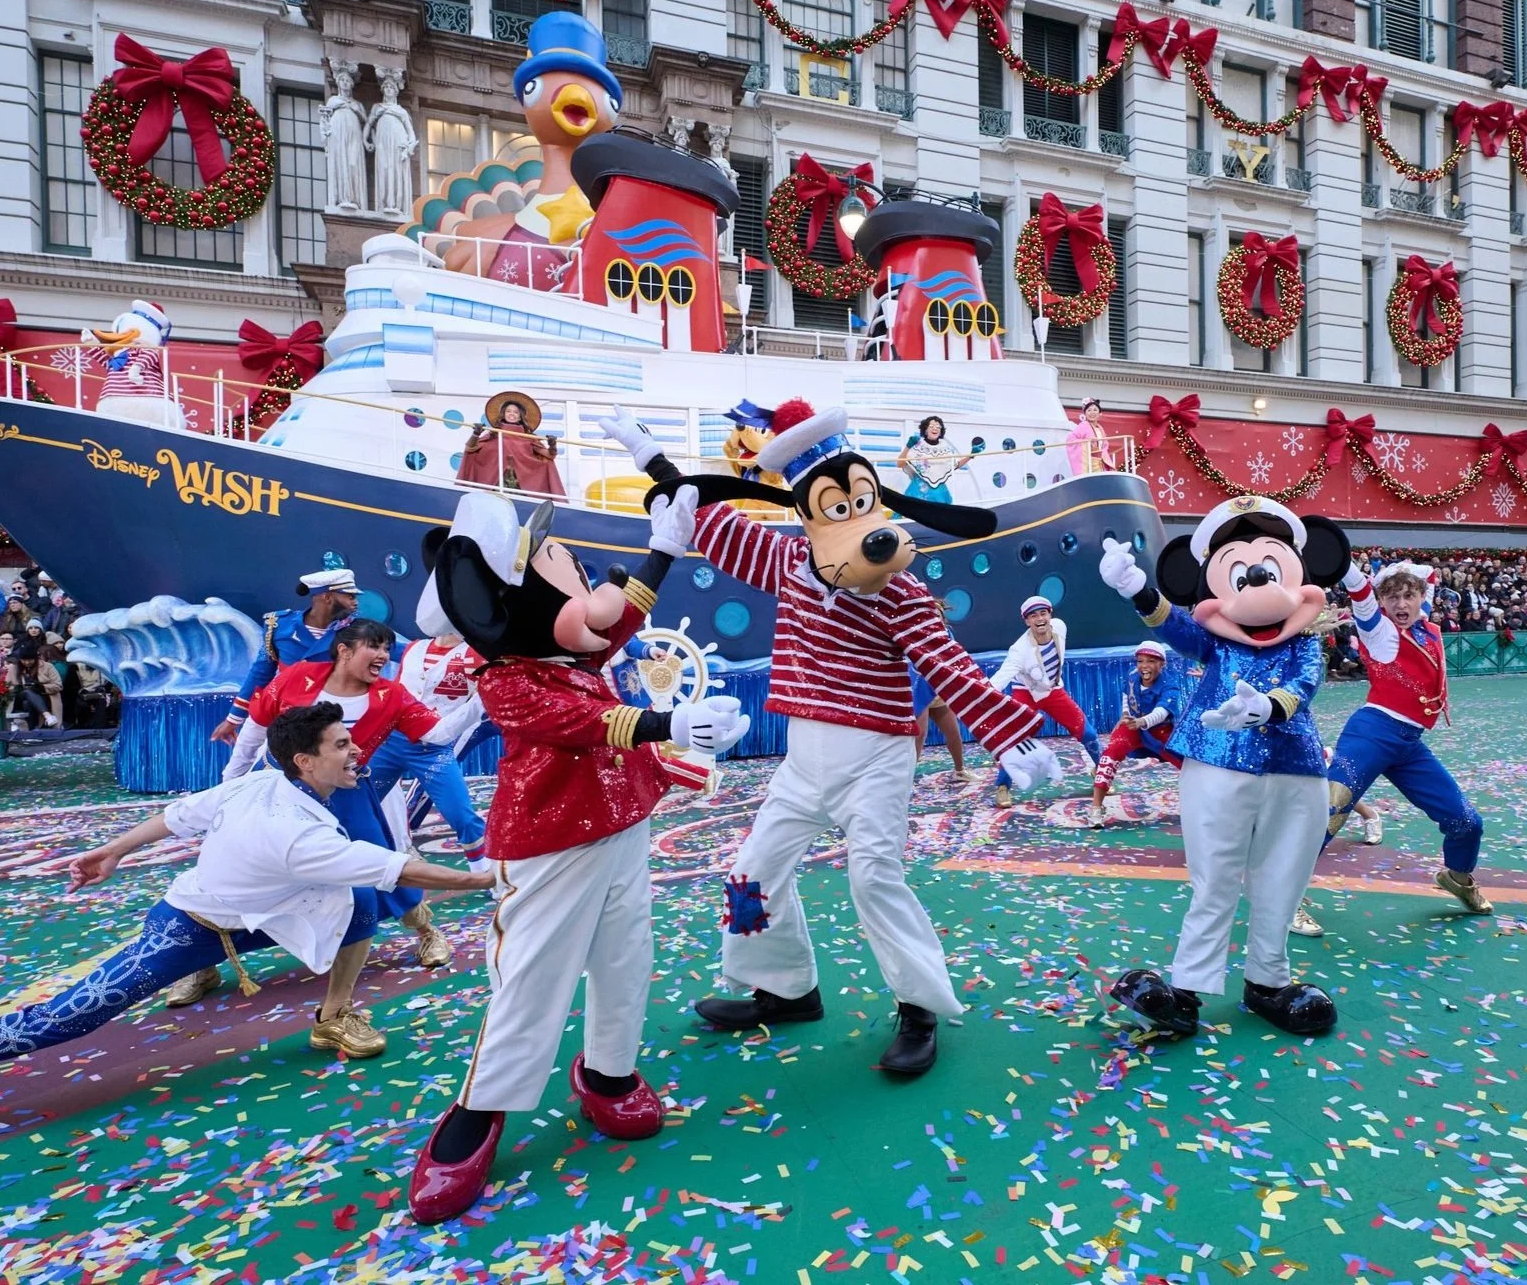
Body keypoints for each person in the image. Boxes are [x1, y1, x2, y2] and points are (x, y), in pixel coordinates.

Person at [0, 703, 497, 1189]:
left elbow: (178, 817)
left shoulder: (269, 787)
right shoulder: (290, 828)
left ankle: (332, 1016)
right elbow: (403, 868)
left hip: (272, 911)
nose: (356, 751)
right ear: (305, 761)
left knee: (359, 903)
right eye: (341, 746)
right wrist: (487, 879)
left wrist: (112, 850)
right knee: (66, 1017)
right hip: (191, 928)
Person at [599, 400, 1057, 1077]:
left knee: (874, 878)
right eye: (838, 508)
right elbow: (711, 517)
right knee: (751, 872)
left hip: (876, 757)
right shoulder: (788, 561)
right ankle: (786, 990)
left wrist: (1009, 735)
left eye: (863, 503)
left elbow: (947, 665)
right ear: (809, 515)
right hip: (805, 757)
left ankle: (919, 1008)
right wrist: (652, 459)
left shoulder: (901, 592)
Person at [404, 485, 740, 1224]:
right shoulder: (508, 681)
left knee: (626, 959)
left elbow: (617, 622)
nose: (597, 598)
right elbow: (585, 721)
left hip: (623, 826)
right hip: (552, 844)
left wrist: (664, 549)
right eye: (573, 589)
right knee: (530, 978)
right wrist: (672, 723)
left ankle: (609, 1072)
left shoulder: (563, 649)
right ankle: (480, 1108)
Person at [1096, 497, 1351, 1038]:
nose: (1257, 581)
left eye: (1271, 567)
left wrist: (1271, 706)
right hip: (1217, 762)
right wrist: (1138, 589)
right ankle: (1188, 989)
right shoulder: (1213, 641)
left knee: (1283, 877)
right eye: (1239, 572)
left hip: (1295, 767)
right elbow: (1175, 627)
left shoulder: (1304, 644)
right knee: (1213, 878)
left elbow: (1306, 682)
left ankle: (1268, 982)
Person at [209, 618, 481, 993]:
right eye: (374, 646)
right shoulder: (299, 676)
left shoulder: (391, 695)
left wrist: (481, 701)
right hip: (278, 789)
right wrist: (232, 781)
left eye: (386, 648)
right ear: (344, 650)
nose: (383, 655)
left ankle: (425, 930)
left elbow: (436, 733)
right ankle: (202, 959)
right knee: (244, 867)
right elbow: (256, 726)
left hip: (348, 792)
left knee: (379, 863)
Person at [1292, 561, 1491, 938]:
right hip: (1371, 734)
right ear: (1381, 602)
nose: (1402, 603)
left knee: (1466, 821)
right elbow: (1360, 592)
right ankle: (1281, 897)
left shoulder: (1424, 623)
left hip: (1409, 744)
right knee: (1330, 812)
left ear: (1421, 599)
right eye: (1393, 597)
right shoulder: (1379, 629)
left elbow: (1427, 581)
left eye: (1409, 596)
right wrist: (1340, 559)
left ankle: (1458, 877)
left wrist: (1413, 578)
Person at [366, 631, 493, 873]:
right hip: (390, 741)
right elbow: (396, 688)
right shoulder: (414, 648)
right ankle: (351, 869)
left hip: (432, 749)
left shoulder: (474, 654)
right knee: (361, 803)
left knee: (462, 815)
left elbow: (486, 695)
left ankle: (484, 875)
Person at [212, 568, 363, 744]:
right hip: (286, 719)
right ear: (327, 597)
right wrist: (234, 718)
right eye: (350, 596)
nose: (355, 602)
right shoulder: (279, 626)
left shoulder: (357, 631)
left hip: (337, 721)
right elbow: (260, 673)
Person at [988, 595, 1102, 807]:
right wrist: (979, 694)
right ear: (1026, 621)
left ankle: (1102, 772)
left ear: (1050, 615)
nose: (1040, 619)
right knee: (1015, 741)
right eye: (1033, 616)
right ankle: (1003, 787)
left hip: (1052, 690)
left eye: (1043, 613)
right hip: (1025, 691)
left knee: (1088, 733)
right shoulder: (1019, 650)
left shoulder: (1060, 627)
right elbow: (1001, 678)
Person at [1088, 641, 1186, 826]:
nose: (1144, 666)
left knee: (1188, 765)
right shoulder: (1133, 677)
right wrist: (1125, 714)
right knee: (1110, 754)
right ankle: (1096, 808)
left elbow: (1162, 712)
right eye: (1140, 661)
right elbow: (1127, 695)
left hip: (1160, 732)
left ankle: (1207, 802)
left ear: (1162, 664)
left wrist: (1142, 722)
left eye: (1151, 661)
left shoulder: (1170, 686)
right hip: (1133, 727)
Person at [457, 391, 563, 496]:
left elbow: (549, 455)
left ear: (520, 416)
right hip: (494, 485)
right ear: (503, 414)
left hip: (519, 487)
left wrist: (552, 445)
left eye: (516, 412)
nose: (512, 414)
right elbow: (470, 448)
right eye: (508, 411)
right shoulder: (494, 434)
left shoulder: (528, 438)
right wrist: (476, 434)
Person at [897, 415, 970, 504]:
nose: (935, 428)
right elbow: (899, 464)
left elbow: (955, 465)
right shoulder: (917, 445)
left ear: (941, 431)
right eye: (931, 426)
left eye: (938, 427)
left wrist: (971, 455)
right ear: (925, 430)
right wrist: (908, 446)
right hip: (917, 493)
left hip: (940, 495)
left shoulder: (945, 448)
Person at [1067, 398, 1114, 476]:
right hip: (1088, 464)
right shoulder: (1083, 425)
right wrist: (1087, 442)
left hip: (1100, 463)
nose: (1092, 412)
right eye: (1089, 410)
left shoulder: (1100, 428)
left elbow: (1104, 446)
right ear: (1085, 414)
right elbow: (1070, 440)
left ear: (1100, 413)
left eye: (1095, 410)